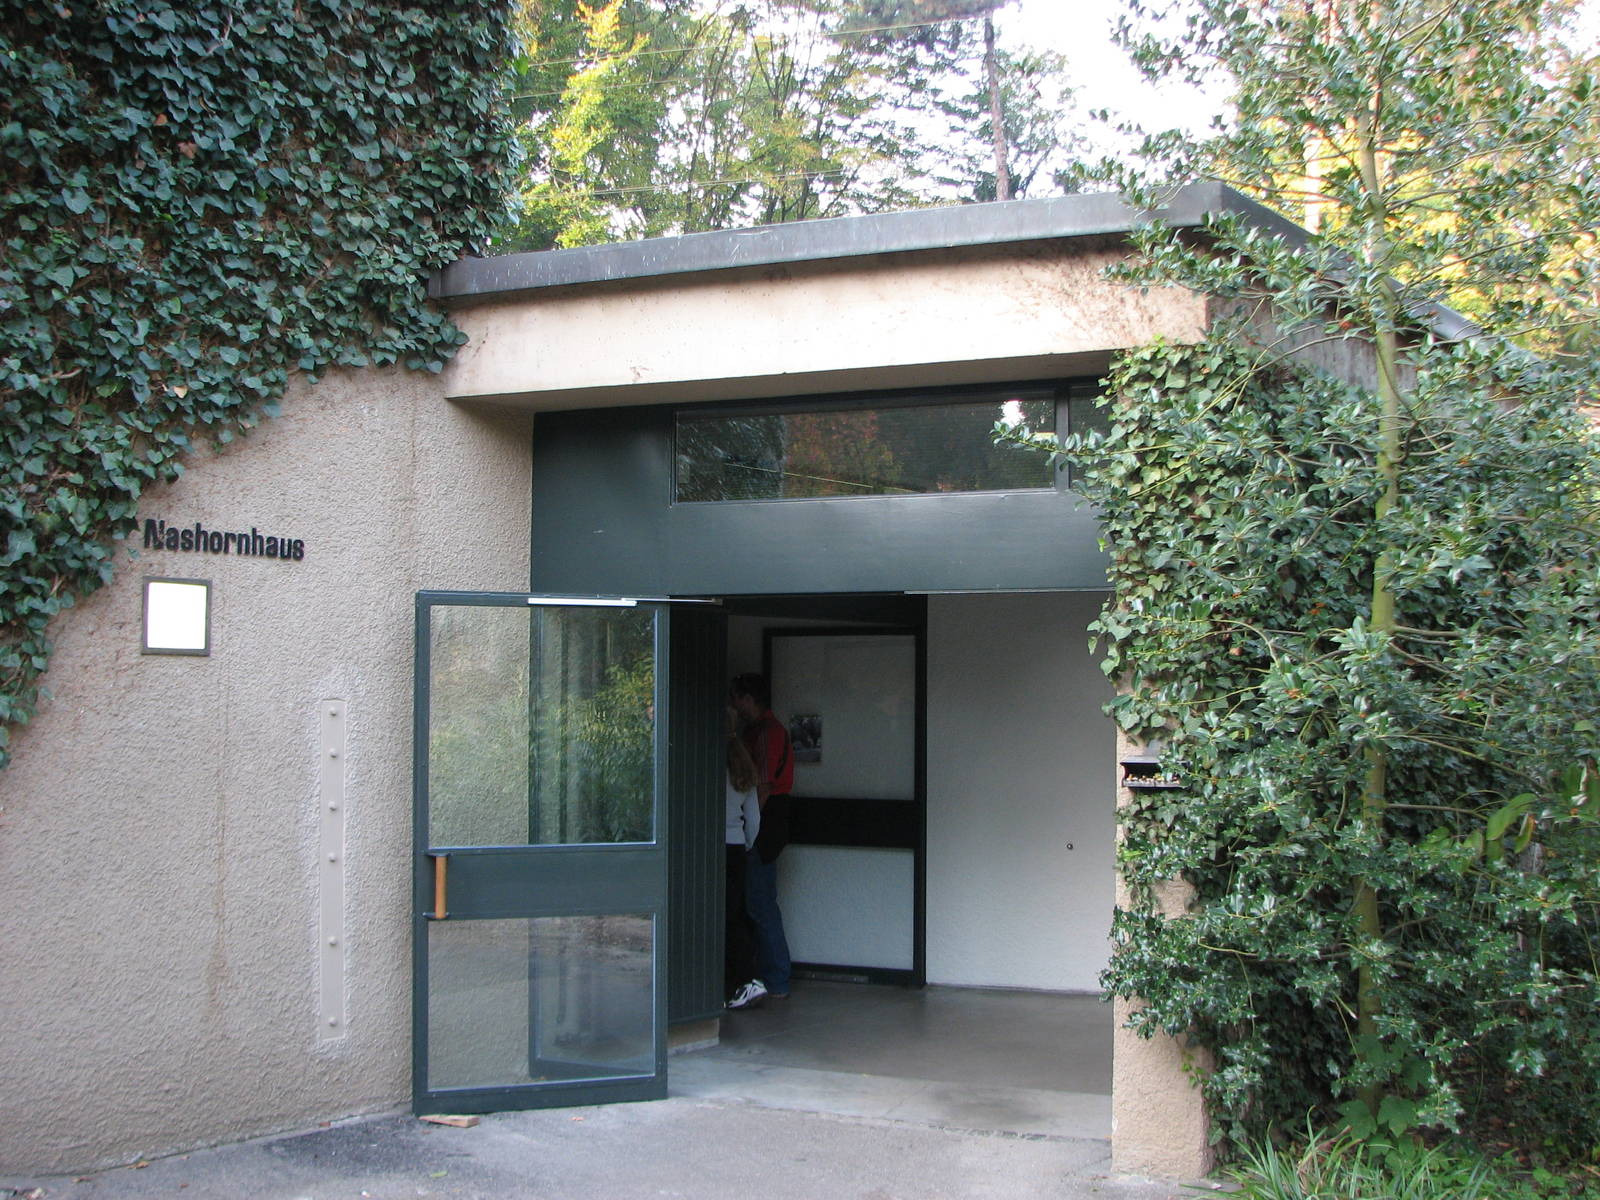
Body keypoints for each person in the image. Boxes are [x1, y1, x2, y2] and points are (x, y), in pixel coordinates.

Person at [730, 672, 794, 1000]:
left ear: (748, 698)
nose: (734, 704)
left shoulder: (768, 732)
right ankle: (766, 975)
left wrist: (747, 824)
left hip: (765, 823)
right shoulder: (757, 731)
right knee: (755, 902)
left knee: (759, 903)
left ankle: (777, 977)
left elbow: (764, 786)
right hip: (762, 821)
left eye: (737, 697)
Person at [723, 718, 766, 1010]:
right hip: (736, 847)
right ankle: (745, 980)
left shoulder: (704, 762)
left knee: (714, 915)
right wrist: (746, 843)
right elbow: (754, 818)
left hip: (709, 848)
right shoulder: (742, 764)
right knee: (734, 913)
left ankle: (733, 981)